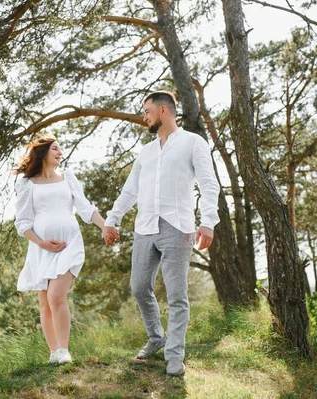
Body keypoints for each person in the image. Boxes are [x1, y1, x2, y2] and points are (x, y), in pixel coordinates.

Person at [103, 91, 220, 376]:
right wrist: (112, 219)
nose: (144, 116)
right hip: (145, 228)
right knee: (139, 286)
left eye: (147, 110)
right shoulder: (146, 151)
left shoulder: (193, 143)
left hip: (178, 227)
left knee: (177, 295)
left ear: (164, 110)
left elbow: (208, 183)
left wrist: (208, 221)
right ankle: (157, 337)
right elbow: (130, 190)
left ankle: (174, 356)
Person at [13, 134, 109, 364]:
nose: (60, 152)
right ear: (43, 152)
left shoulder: (68, 178)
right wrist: (41, 242)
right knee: (45, 304)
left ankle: (64, 350)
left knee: (56, 296)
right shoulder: (27, 183)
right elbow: (22, 222)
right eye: (55, 148)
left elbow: (85, 209)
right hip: (41, 249)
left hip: (70, 244)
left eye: (60, 148)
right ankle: (54, 352)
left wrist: (105, 227)